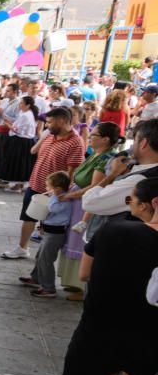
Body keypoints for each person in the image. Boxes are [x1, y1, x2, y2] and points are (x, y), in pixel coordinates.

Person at [65, 178, 158, 375]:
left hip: (101, 326)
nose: (128, 206)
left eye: (130, 201)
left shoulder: (115, 231)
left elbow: (84, 273)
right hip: (148, 333)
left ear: (150, 203)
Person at [3, 108, 86, 260]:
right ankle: (22, 247)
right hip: (35, 184)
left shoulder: (76, 142)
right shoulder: (50, 135)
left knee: (47, 225)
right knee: (28, 217)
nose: (47, 125)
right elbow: (35, 152)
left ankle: (42, 257)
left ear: (61, 121)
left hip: (53, 191)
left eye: (49, 122)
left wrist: (62, 193)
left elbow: (72, 171)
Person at [55, 122, 122, 301]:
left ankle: (80, 286)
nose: (90, 137)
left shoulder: (106, 159)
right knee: (73, 239)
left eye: (94, 135)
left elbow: (96, 186)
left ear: (106, 139)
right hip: (79, 200)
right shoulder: (96, 155)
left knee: (80, 241)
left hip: (85, 204)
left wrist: (71, 195)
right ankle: (72, 282)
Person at [81, 119, 158, 219]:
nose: (132, 146)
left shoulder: (139, 180)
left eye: (135, 140)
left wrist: (113, 174)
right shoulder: (142, 170)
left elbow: (89, 202)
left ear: (143, 143)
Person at [18, 171, 72, 298]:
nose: (46, 189)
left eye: (48, 187)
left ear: (58, 188)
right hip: (48, 232)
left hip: (55, 235)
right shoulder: (56, 196)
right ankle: (36, 278)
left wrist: (52, 197)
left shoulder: (63, 200)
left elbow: (52, 209)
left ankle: (48, 288)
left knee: (46, 260)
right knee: (40, 257)